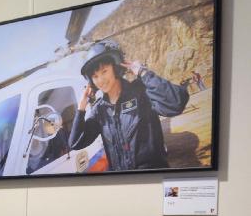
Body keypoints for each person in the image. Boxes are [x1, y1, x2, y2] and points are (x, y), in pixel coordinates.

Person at [69, 40, 189, 171]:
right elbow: (76, 142)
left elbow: (176, 103)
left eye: (104, 71)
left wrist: (144, 73)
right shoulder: (100, 110)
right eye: (95, 76)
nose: (101, 80)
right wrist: (81, 109)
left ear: (115, 68)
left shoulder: (141, 92)